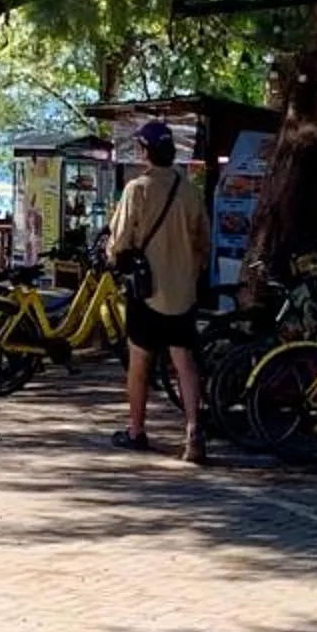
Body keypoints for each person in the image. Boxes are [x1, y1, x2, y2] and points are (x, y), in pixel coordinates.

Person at [106, 120, 211, 464]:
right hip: (183, 293)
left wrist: (114, 257)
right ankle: (193, 432)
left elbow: (120, 240)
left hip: (146, 292)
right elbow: (204, 242)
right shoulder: (190, 192)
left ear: (145, 151)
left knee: (139, 362)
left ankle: (136, 430)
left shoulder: (137, 189)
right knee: (185, 362)